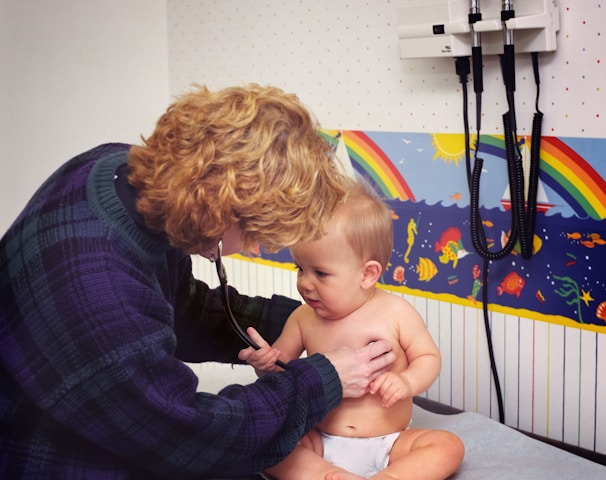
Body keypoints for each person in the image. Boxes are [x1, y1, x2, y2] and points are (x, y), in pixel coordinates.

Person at [0, 84, 396, 479]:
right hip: (49, 454)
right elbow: (193, 434)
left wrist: (317, 321)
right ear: (218, 209)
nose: (254, 249)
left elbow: (179, 308)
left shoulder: (124, 171)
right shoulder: (97, 291)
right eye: (255, 234)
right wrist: (321, 380)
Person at [240, 181, 465, 480]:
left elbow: (428, 358)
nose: (306, 283)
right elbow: (281, 371)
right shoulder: (302, 318)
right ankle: (328, 474)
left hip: (390, 442)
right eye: (300, 269)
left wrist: (406, 381)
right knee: (268, 445)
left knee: (447, 446)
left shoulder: (396, 312)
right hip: (320, 436)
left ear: (367, 274)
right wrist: (266, 365)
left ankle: (389, 477)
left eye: (320, 273)